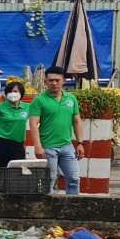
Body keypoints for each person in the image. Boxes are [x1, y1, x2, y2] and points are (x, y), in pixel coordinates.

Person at [28, 66, 84, 195]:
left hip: (67, 146)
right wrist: (38, 146)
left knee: (74, 180)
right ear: (45, 82)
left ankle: (72, 207)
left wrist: (80, 143)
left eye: (57, 80)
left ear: (63, 81)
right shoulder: (39, 100)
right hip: (47, 147)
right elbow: (33, 124)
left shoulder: (71, 99)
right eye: (50, 80)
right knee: (49, 181)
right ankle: (47, 207)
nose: (54, 83)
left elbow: (77, 121)